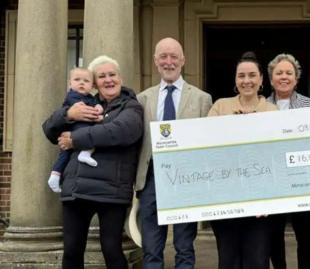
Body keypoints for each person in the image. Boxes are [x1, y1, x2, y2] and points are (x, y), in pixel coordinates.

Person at [42, 55, 144, 268]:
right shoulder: (82, 104)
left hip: (112, 192)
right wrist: (68, 114)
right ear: (95, 83)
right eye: (102, 76)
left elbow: (121, 132)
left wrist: (75, 139)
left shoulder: (131, 106)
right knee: (71, 251)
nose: (108, 80)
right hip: (76, 189)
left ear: (120, 78)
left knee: (112, 250)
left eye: (112, 75)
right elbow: (50, 129)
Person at [135, 37, 212, 269]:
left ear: (183, 61)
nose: (169, 62)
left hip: (186, 182)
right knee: (151, 248)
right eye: (163, 56)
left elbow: (208, 144)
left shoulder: (202, 99)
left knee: (185, 246)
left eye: (174, 56)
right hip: (151, 181)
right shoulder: (142, 99)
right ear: (155, 61)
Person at [208, 51, 277, 269]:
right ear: (235, 80)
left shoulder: (273, 111)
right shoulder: (220, 107)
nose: (246, 81)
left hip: (260, 203)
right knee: (228, 260)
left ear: (261, 80)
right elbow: (206, 149)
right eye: (241, 76)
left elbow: (277, 157)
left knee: (257, 260)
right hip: (226, 199)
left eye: (252, 75)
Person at [266, 53, 310, 269]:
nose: (284, 77)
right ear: (270, 79)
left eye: (289, 73)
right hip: (273, 180)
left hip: (301, 178)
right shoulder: (262, 105)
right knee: (274, 233)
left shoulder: (309, 105)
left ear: (296, 78)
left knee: (304, 232)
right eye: (279, 73)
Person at [47, 67, 104, 193]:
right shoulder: (72, 96)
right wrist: (97, 115)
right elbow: (84, 111)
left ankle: (55, 176)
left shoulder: (90, 97)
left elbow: (95, 105)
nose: (81, 83)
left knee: (65, 154)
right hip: (75, 127)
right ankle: (55, 176)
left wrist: (98, 107)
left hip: (76, 130)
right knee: (65, 154)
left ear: (92, 85)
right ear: (70, 83)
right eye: (77, 79)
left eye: (86, 81)